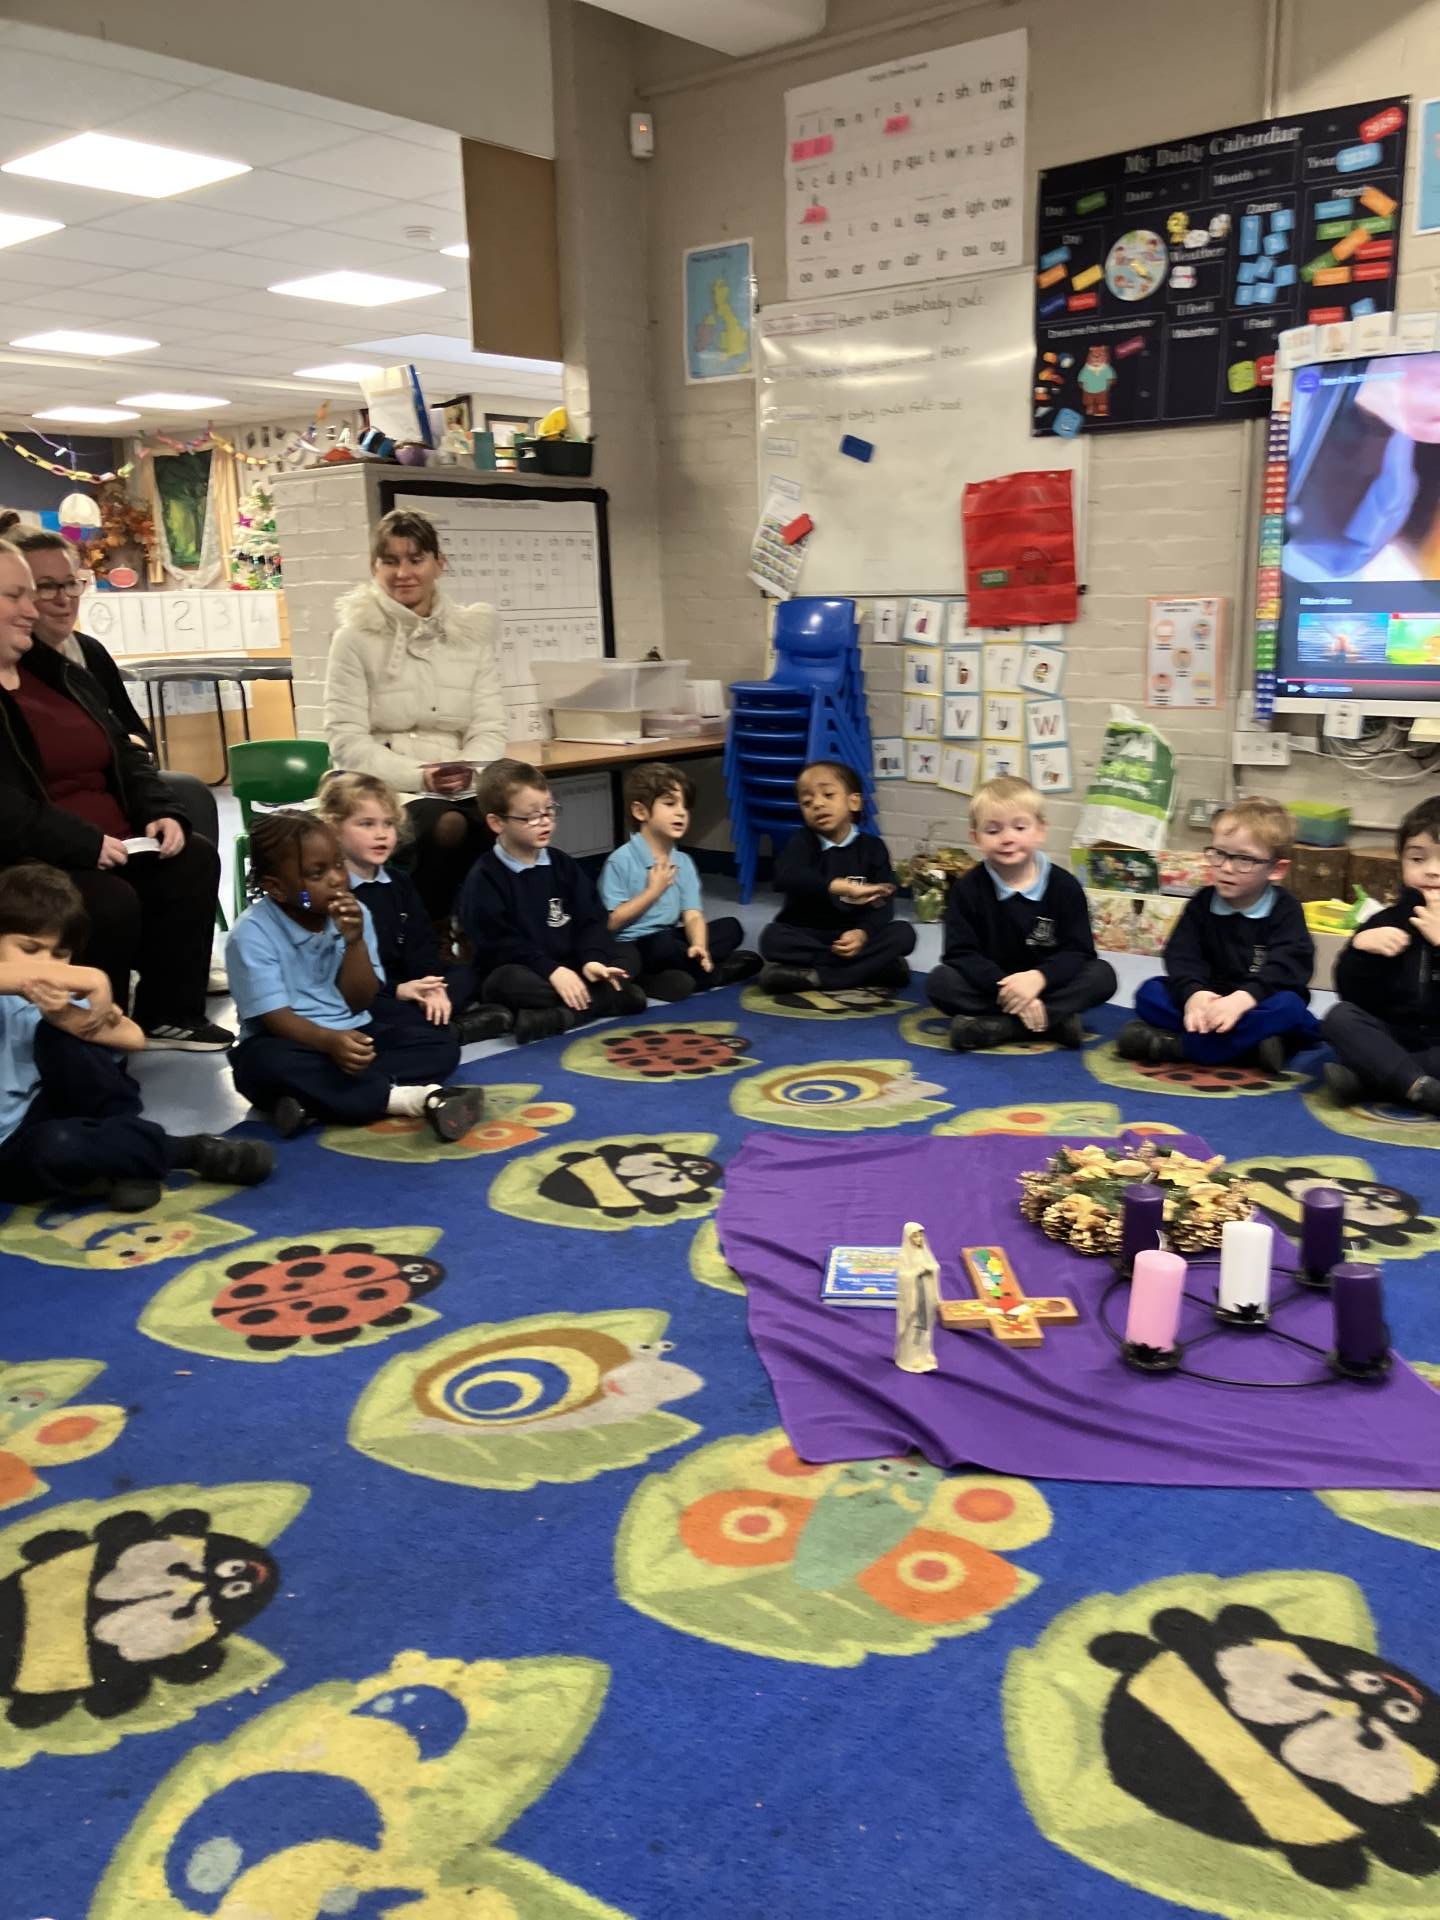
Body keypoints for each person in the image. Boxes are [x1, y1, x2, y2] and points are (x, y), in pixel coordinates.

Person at [0, 536, 230, 1050]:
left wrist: (159, 809)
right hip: (32, 860)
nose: (32, 609)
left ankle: (171, 1014)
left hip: (113, 840)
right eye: (16, 596)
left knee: (190, 858)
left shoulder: (60, 673)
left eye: (30, 595)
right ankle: (93, 1032)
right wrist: (82, 842)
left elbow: (124, 751)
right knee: (107, 899)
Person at [0, 863, 270, 1210]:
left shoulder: (57, 998)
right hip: (13, 1151)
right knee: (57, 1146)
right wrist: (92, 978)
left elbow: (132, 1038)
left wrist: (64, 1015)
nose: (47, 966)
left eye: (60, 955)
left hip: (43, 1114)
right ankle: (181, 1151)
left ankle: (122, 1147)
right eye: (29, 949)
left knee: (66, 1036)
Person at [225, 809, 486, 1141]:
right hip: (288, 1040)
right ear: (276, 888)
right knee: (263, 1065)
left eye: (338, 864)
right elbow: (276, 1018)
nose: (336, 879)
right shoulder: (251, 934)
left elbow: (359, 1000)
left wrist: (355, 943)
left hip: (352, 1029)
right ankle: (412, 1099)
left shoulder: (356, 913)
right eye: (316, 874)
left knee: (441, 1046)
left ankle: (311, 1102)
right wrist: (328, 1041)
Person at [324, 508, 507, 922]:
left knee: (508, 818)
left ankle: (486, 928)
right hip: (382, 785)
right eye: (390, 561)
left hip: (462, 780)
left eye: (415, 559)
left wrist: (469, 769)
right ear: (375, 567)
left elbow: (490, 725)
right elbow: (346, 741)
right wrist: (420, 776)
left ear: (439, 564)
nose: (403, 573)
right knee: (447, 825)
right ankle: (428, 927)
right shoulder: (353, 639)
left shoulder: (470, 636)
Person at [0, 518, 222, 852]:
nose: (63, 599)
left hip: (112, 797)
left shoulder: (87, 655)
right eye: (45, 587)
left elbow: (130, 734)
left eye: (70, 584)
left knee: (191, 828)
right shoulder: (19, 678)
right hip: (60, 831)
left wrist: (155, 802)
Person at [1117, 797, 1318, 1072]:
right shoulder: (1202, 902)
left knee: (1290, 1008)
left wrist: (1243, 999)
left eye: (1244, 859)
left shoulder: (1286, 909)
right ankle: (1248, 1048)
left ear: (1276, 869)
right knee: (1150, 992)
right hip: (1206, 1001)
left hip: (1256, 1001)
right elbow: (1182, 954)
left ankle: (1177, 1047)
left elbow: (1289, 966)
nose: (1226, 867)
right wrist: (1194, 995)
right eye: (1219, 853)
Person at [314, 769, 511, 1047]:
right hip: (365, 990)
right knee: (360, 1009)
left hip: (408, 982)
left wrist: (430, 986)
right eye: (367, 824)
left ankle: (428, 1028)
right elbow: (332, 973)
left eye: (388, 824)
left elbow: (421, 943)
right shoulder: (329, 891)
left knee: (468, 975)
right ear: (334, 829)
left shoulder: (399, 882)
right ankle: (451, 1030)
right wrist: (398, 990)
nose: (381, 835)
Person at [458, 759, 646, 1045]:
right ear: (497, 823)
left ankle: (557, 1015)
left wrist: (592, 960)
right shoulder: (485, 877)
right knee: (506, 982)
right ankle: (606, 999)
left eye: (549, 811)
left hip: (572, 962)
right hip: (526, 969)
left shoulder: (562, 864)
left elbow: (591, 919)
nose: (545, 821)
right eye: (531, 817)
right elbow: (499, 945)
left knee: (627, 950)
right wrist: (551, 970)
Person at [927, 776, 1116, 1050]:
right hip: (994, 986)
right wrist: (1007, 988)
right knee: (941, 982)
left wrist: (1038, 979)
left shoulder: (1064, 886)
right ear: (976, 838)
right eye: (993, 830)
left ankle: (1001, 1027)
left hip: (1047, 983)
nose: (1007, 838)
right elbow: (960, 954)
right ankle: (1052, 1022)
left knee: (1102, 975)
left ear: (1040, 830)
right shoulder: (966, 889)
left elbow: (1078, 951)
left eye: (1019, 827)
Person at [598, 762, 759, 1001]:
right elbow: (611, 923)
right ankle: (712, 975)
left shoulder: (683, 861)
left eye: (685, 806)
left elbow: (692, 915)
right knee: (661, 945)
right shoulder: (620, 860)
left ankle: (689, 969)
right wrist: (653, 891)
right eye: (670, 804)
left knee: (731, 928)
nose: (681, 812)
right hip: (635, 944)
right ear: (640, 812)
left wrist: (699, 946)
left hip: (671, 939)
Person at [1323, 795, 1440, 1115]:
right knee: (1340, 1017)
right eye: (1418, 859)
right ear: (1401, 862)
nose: (1432, 871)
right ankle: (1421, 1089)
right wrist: (1361, 951)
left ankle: (1374, 1081)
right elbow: (1351, 994)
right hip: (1393, 1035)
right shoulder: (1386, 920)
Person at [757, 761, 916, 994]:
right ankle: (868, 971)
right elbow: (784, 876)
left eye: (828, 795)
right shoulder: (802, 841)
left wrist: (862, 933)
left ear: (854, 802)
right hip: (808, 933)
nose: (818, 804)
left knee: (904, 933)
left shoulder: (873, 848)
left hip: (853, 936)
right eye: (807, 802)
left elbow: (883, 905)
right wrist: (838, 886)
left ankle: (819, 977)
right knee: (772, 939)